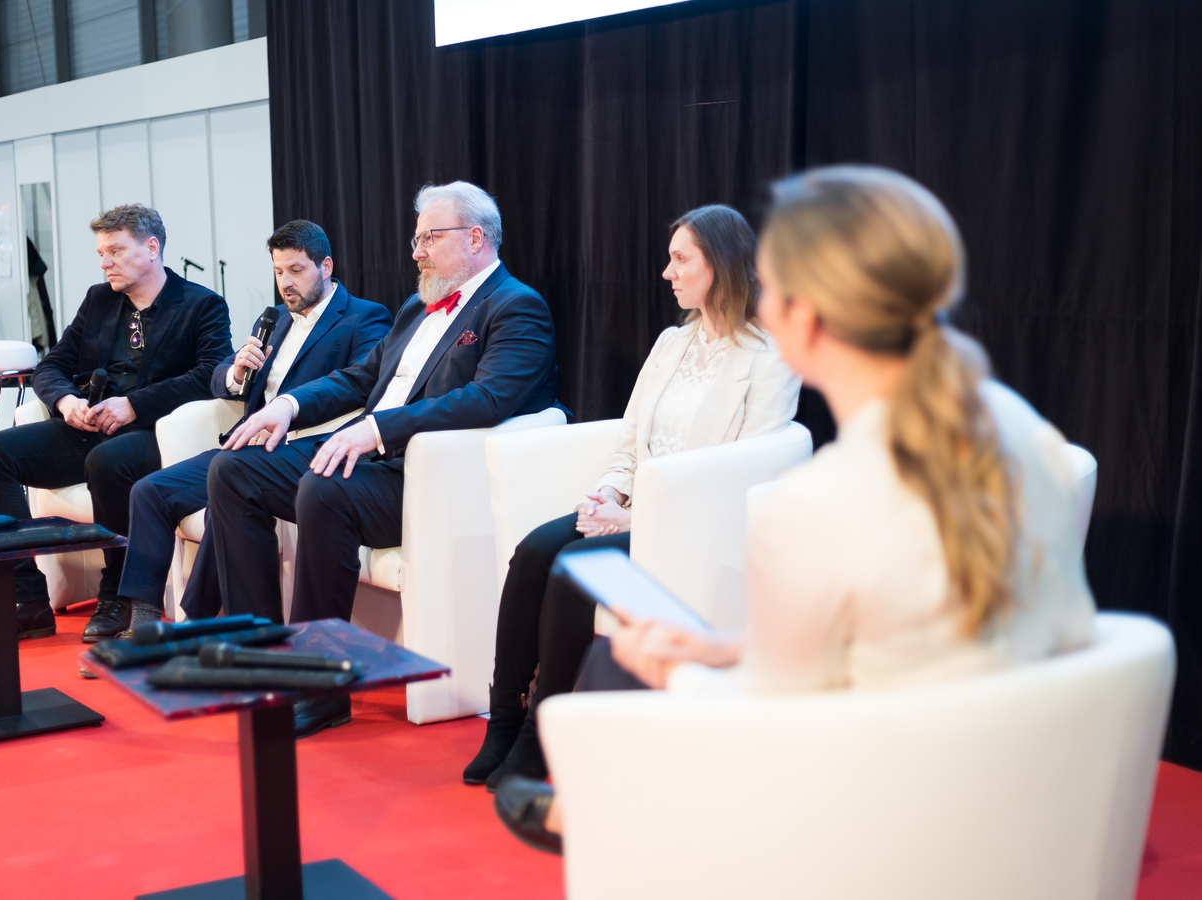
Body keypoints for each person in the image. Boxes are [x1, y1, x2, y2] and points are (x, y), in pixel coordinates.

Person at [493, 166, 1097, 853]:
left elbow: (778, 714)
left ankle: (589, 812)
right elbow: (890, 637)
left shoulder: (821, 501)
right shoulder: (1019, 430)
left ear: (804, 315)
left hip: (884, 813)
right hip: (1018, 785)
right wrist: (721, 647)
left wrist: (679, 674)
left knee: (614, 667)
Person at [201, 181, 560, 737]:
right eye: (416, 240)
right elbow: (361, 377)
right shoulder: (417, 306)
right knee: (232, 471)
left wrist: (377, 430)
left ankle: (321, 686)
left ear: (475, 238)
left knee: (324, 489)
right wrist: (289, 406)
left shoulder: (517, 306)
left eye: (429, 238)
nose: (416, 252)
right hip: (367, 452)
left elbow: (487, 399)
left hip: (422, 473)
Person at [465, 204, 801, 790]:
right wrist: (605, 496)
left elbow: (743, 470)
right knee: (533, 550)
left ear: (720, 264)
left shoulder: (769, 356)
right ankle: (505, 718)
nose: (667, 272)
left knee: (574, 569)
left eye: (681, 259)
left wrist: (633, 518)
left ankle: (543, 734)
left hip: (695, 526)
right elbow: (630, 440)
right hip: (631, 509)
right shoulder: (672, 342)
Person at [98, 220, 393, 640]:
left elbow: (358, 383)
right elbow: (219, 377)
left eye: (296, 270)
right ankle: (142, 622)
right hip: (248, 443)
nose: (285, 283)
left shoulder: (364, 317)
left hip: (304, 447)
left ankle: (200, 624)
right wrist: (237, 373)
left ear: (326, 267)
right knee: (149, 491)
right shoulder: (275, 318)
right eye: (278, 271)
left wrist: (289, 409)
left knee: (228, 490)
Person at [0, 204, 233, 650]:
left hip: (153, 433)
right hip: (88, 426)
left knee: (107, 461)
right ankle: (27, 600)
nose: (105, 262)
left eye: (115, 251)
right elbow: (51, 365)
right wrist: (65, 401)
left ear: (151, 248)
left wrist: (134, 405)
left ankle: (117, 597)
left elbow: (210, 375)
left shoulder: (201, 305)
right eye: (101, 253)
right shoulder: (99, 300)